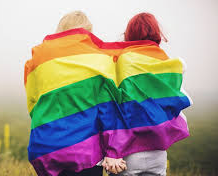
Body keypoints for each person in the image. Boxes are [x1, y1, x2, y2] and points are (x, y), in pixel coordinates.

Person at [109, 12, 191, 176]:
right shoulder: (165, 62)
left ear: (129, 33)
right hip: (158, 152)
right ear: (156, 33)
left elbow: (113, 106)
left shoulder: (123, 60)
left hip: (126, 152)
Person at [54, 11, 126, 176]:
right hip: (88, 154)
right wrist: (113, 150)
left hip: (55, 151)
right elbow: (106, 110)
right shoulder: (97, 64)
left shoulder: (48, 67)